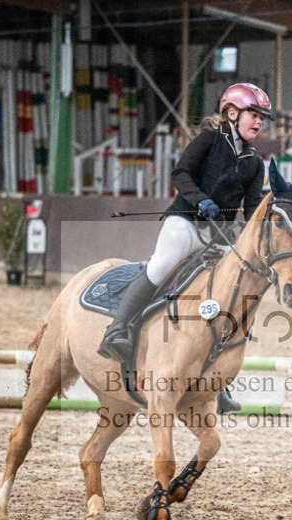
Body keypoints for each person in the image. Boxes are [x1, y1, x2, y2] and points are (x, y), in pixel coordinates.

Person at [97, 82, 273, 413]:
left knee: (230, 291)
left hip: (218, 235)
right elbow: (181, 173)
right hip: (186, 222)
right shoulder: (208, 140)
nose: (259, 122)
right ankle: (117, 330)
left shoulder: (254, 163)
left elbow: (252, 212)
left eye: (262, 117)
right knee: (162, 265)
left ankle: (217, 382)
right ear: (232, 113)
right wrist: (201, 200)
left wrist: (254, 235)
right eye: (254, 114)